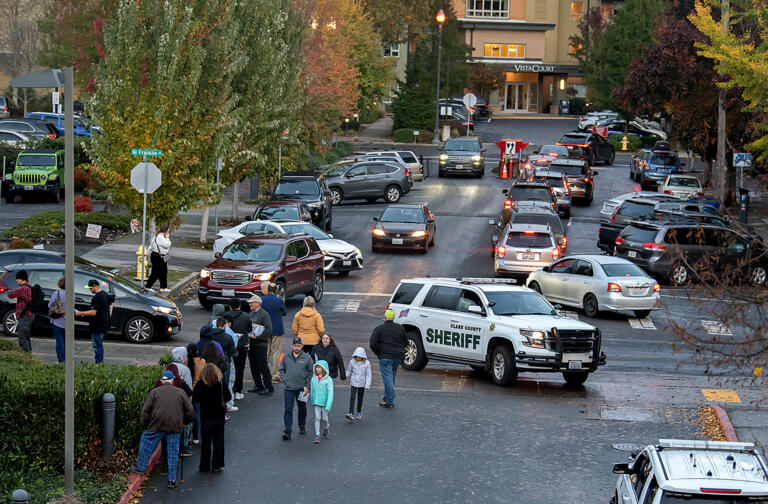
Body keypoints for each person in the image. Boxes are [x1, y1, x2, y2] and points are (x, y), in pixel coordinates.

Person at [132, 370, 194, 489]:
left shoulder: (155, 392)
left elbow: (145, 411)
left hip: (157, 424)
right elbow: (190, 411)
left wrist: (146, 424)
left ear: (161, 381)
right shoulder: (181, 392)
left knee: (146, 443)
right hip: (174, 426)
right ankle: (171, 479)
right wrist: (184, 422)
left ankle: (141, 468)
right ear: (172, 380)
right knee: (173, 451)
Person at [193, 363, 231, 473]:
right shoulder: (220, 383)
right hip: (219, 416)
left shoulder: (200, 384)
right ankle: (217, 464)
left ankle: (205, 465)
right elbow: (228, 396)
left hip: (206, 417)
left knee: (206, 442)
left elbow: (195, 398)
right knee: (218, 441)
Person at [369, 309, 406, 408]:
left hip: (385, 356)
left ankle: (390, 400)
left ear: (385, 317)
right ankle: (386, 398)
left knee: (387, 378)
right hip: (398, 356)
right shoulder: (400, 328)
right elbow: (405, 342)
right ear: (394, 318)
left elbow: (373, 344)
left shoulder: (379, 329)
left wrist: (378, 353)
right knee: (391, 377)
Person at [279, 337, 314, 440]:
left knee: (302, 408)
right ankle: (288, 431)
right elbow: (281, 369)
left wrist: (307, 386)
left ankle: (302, 425)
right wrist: (285, 380)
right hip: (289, 388)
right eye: (295, 346)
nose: (297, 348)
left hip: (302, 389)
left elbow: (311, 373)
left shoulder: (307, 358)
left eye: (299, 346)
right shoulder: (286, 356)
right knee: (288, 409)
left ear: (302, 346)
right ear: (292, 346)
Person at [75, 279, 112, 363]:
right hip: (104, 324)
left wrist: (80, 313)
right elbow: (111, 305)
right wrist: (107, 317)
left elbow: (93, 312)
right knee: (99, 343)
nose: (90, 290)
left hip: (97, 326)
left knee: (97, 345)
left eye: (91, 288)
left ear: (95, 287)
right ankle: (99, 361)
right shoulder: (105, 294)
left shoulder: (97, 297)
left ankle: (99, 362)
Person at [258, 281, 287, 383]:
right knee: (276, 353)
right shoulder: (278, 300)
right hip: (277, 329)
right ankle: (275, 375)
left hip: (265, 329)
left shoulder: (261, 300)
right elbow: (285, 312)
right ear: (275, 291)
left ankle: (263, 374)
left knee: (265, 353)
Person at [224, 298, 252, 399]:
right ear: (239, 306)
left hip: (229, 347)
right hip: (242, 346)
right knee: (240, 369)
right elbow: (250, 329)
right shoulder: (246, 316)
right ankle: (238, 391)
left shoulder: (226, 316)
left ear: (230, 306)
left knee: (229, 369)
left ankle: (229, 389)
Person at [247, 295, 273, 395]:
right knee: (253, 366)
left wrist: (258, 337)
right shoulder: (250, 314)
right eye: (249, 302)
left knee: (263, 366)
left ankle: (269, 387)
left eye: (251, 302)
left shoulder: (264, 315)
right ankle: (258, 385)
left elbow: (268, 329)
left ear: (258, 303)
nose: (249, 304)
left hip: (261, 344)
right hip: (251, 344)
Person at [211, 318, 238, 412]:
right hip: (225, 364)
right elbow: (234, 353)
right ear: (224, 326)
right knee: (226, 385)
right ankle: (226, 406)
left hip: (212, 364)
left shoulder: (210, 336)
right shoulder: (228, 337)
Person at [171, 346, 194, 455]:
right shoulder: (185, 369)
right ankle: (184, 447)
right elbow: (189, 387)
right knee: (185, 425)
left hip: (172, 401)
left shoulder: (169, 366)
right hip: (182, 401)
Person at [7, 270, 34, 352]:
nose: (16, 281)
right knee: (26, 336)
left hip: (24, 315)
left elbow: (10, 294)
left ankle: (26, 356)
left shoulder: (23, 288)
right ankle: (29, 356)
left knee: (22, 338)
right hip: (30, 315)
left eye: (17, 279)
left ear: (22, 279)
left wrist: (6, 289)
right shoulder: (30, 286)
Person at [345, 347, 372, 421]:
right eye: (357, 356)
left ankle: (359, 412)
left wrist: (367, 384)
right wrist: (346, 376)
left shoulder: (367, 363)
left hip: (362, 383)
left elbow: (368, 374)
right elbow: (349, 370)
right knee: (352, 397)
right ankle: (350, 413)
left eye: (360, 356)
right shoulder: (352, 361)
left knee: (360, 398)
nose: (358, 357)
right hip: (354, 382)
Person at [186, 343, 205, 446]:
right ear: (197, 351)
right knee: (197, 414)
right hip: (198, 391)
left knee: (187, 414)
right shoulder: (202, 362)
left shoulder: (186, 361)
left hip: (188, 390)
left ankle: (187, 437)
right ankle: (196, 437)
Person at [310, 360, 333, 444]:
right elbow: (312, 390)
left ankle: (326, 427)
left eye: (319, 367)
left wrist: (328, 405)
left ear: (323, 369)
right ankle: (317, 435)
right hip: (316, 402)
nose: (317, 369)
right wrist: (312, 400)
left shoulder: (329, 380)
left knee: (324, 418)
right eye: (316, 367)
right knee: (317, 418)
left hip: (325, 403)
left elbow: (331, 393)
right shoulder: (313, 378)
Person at [146, 225, 172, 292]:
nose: (169, 231)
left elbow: (151, 246)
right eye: (168, 230)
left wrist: (147, 253)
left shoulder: (156, 236)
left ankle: (163, 287)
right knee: (156, 272)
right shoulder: (160, 237)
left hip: (160, 256)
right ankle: (148, 287)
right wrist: (167, 238)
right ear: (165, 230)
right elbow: (167, 245)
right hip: (158, 256)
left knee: (163, 271)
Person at [47, 276, 66, 362]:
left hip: (57, 320)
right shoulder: (72, 294)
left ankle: (61, 360)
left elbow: (49, 305)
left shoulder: (57, 293)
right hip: (67, 321)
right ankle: (66, 359)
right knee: (66, 342)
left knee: (59, 342)